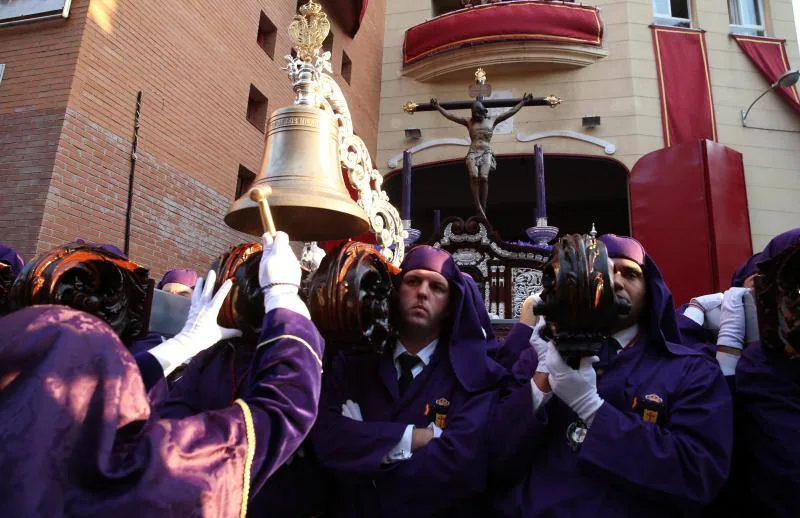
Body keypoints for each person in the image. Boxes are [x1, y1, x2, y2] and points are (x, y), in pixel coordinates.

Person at [0, 232, 325, 517]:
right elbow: (278, 413)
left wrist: (183, 346)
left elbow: (106, 394)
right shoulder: (130, 482)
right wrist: (283, 296)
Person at [490, 234, 733, 517]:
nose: (615, 282)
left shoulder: (690, 370)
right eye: (604, 272)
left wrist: (591, 408)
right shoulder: (539, 356)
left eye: (630, 274)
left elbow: (697, 475)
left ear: (650, 291)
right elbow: (494, 455)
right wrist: (541, 382)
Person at [310, 245, 506, 517]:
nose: (422, 292)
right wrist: (416, 438)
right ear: (395, 292)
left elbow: (459, 466)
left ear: (451, 306)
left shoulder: (471, 376)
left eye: (437, 287)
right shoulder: (353, 363)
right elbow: (325, 440)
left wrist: (365, 451)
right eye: (413, 281)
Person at [431, 94, 532, 219]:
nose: (475, 116)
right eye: (473, 114)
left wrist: (523, 102)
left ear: (482, 112)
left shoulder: (492, 120)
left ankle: (483, 208)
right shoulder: (469, 122)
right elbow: (451, 116)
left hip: (486, 152)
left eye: (477, 113)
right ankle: (478, 207)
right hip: (473, 152)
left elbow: (510, 112)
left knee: (484, 177)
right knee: (473, 176)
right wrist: (438, 107)